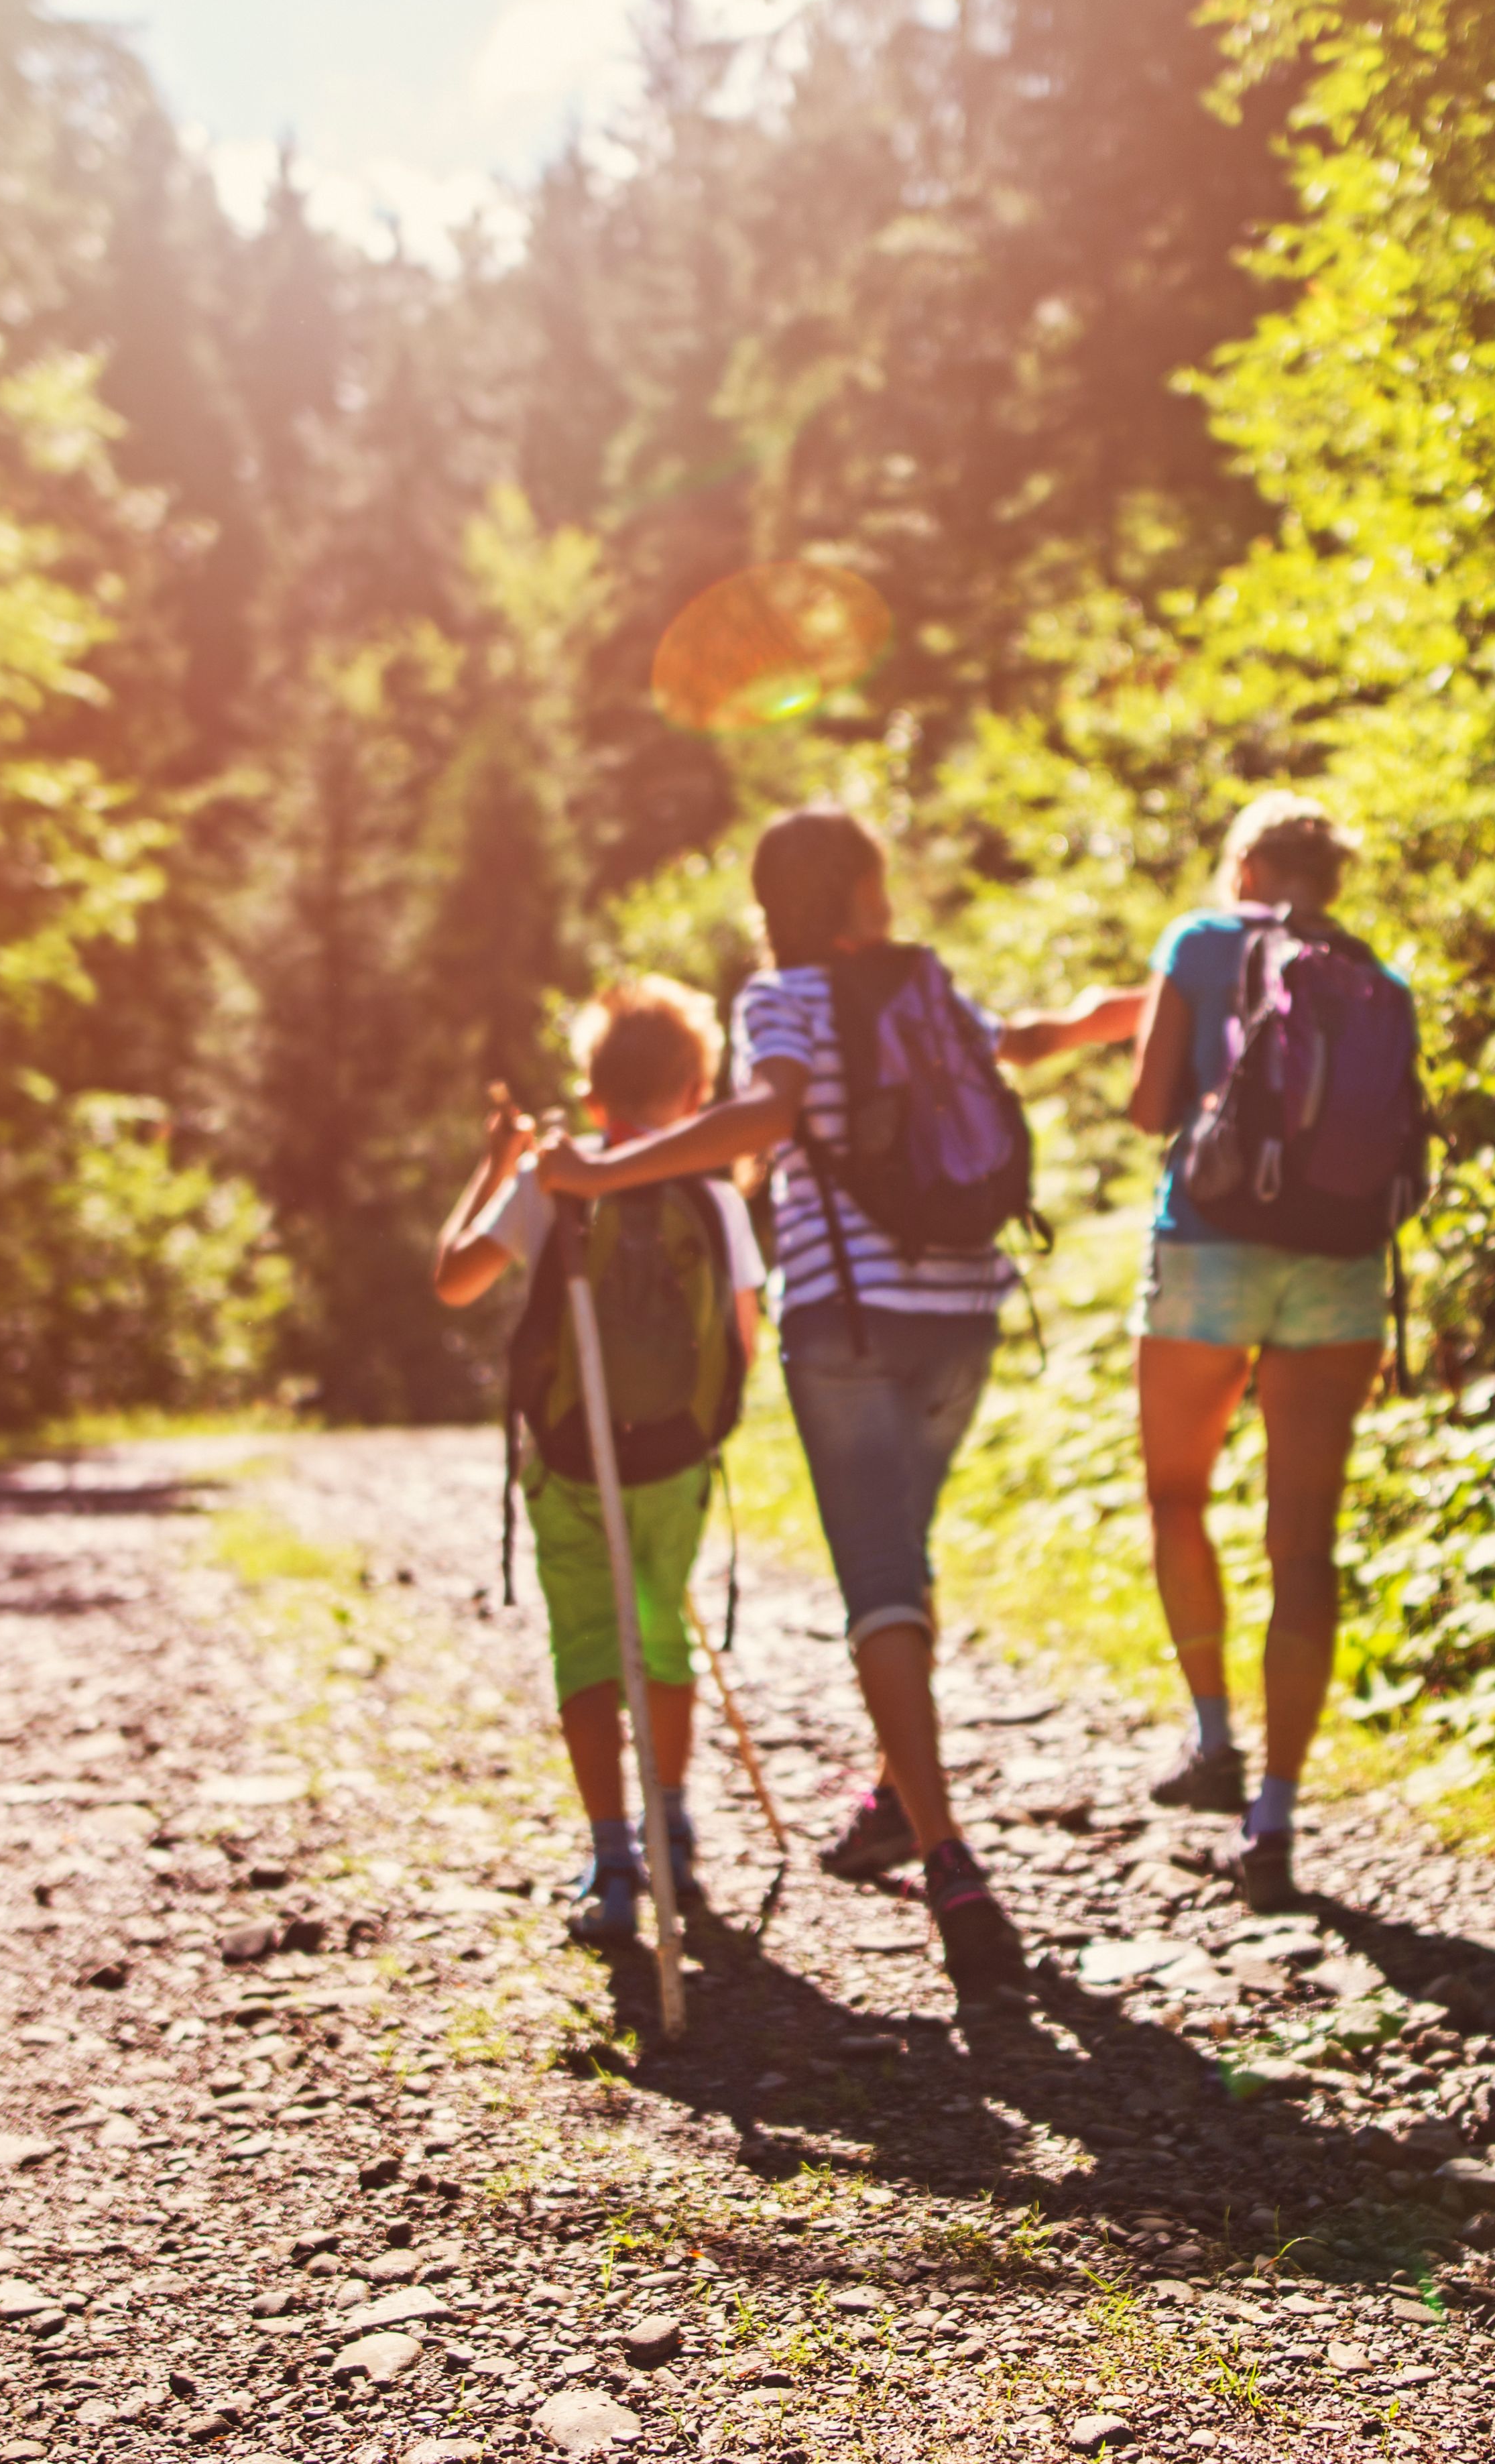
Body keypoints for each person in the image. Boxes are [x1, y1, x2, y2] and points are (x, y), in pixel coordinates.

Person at [540, 807, 1138, 1991]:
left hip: (850, 1318)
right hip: (967, 1302)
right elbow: (1022, 1040)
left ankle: (947, 1854)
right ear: (860, 890)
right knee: (902, 1560)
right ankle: (891, 1799)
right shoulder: (924, 986)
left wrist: (607, 1168)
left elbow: (770, 1115)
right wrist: (1134, 1005)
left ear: (776, 907)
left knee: (876, 1580)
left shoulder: (785, 998)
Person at [432, 978, 765, 1950]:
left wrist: (495, 1168)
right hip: (673, 1457)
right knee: (662, 1630)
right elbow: (740, 1340)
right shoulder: (712, 1191)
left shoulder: (550, 1181)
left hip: (571, 1460)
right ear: (695, 1089)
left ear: (592, 1091)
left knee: (585, 1644)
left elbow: (455, 1281)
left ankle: (611, 1854)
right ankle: (673, 1824)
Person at [1120, 794, 1400, 1910]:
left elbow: (1150, 1108)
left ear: (1243, 864)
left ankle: (1213, 1738)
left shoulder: (1199, 942)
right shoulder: (1375, 973)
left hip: (1207, 1253)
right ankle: (1274, 1813)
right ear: (1330, 878)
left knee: (1176, 1494)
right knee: (1305, 1542)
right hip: (1339, 1267)